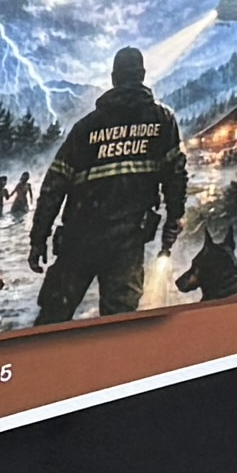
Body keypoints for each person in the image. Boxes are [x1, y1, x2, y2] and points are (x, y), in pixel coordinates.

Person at [26, 44, 193, 329]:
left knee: (52, 320)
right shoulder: (162, 121)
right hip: (126, 245)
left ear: (114, 78)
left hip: (78, 241)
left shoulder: (85, 128)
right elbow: (175, 175)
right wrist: (174, 218)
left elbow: (54, 185)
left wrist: (38, 238)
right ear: (141, 75)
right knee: (119, 326)